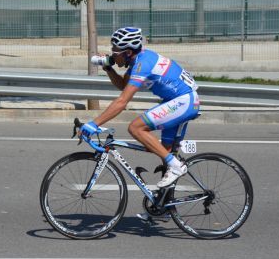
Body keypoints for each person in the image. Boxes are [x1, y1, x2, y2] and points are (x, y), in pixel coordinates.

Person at [80, 26, 200, 189]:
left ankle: (177, 167)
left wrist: (94, 124)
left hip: (183, 101)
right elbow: (123, 85)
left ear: (128, 52)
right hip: (179, 101)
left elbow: (122, 101)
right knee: (164, 151)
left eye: (115, 51)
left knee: (136, 128)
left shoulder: (143, 64)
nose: (112, 54)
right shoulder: (138, 60)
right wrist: (108, 68)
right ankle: (164, 209)